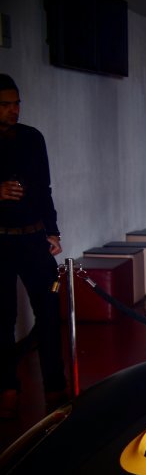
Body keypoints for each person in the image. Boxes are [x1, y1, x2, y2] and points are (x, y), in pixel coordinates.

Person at [0, 73, 67, 419]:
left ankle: (55, 387)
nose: (14, 110)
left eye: (16, 103)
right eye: (5, 105)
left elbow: (44, 189)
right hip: (0, 240)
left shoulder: (32, 137)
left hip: (33, 237)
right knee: (2, 319)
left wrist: (52, 231)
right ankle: (7, 388)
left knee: (49, 312)